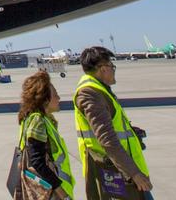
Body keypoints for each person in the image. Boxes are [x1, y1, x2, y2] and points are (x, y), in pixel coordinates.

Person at [73, 46, 152, 199]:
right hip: (117, 173)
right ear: (102, 68)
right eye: (112, 66)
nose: (114, 70)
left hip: (118, 169)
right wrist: (133, 173)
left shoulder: (99, 89)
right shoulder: (90, 93)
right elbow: (107, 138)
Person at [14, 70, 74, 200]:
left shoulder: (34, 118)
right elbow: (38, 162)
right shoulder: (38, 121)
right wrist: (62, 194)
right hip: (50, 193)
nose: (59, 98)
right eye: (56, 95)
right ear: (45, 100)